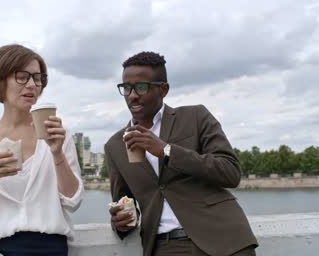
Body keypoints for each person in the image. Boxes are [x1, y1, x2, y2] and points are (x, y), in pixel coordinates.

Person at [106, 51, 258, 256]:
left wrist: (166, 150)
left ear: (163, 89)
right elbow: (125, 205)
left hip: (224, 238)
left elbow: (230, 173)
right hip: (166, 247)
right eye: (126, 88)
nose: (132, 95)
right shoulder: (115, 146)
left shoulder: (195, 117)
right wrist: (121, 223)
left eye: (141, 87)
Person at [0, 44, 84, 256]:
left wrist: (57, 155)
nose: (32, 85)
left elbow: (73, 201)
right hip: (1, 250)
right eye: (22, 76)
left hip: (53, 249)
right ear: (0, 81)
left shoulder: (57, 134)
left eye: (37, 78)